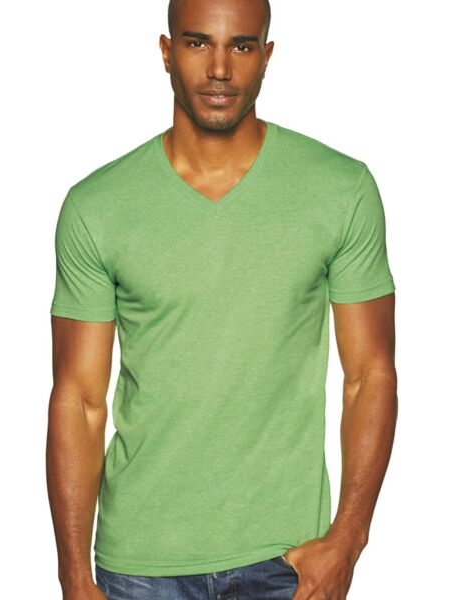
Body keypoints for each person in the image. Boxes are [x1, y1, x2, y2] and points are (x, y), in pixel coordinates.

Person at [46, 0, 398, 598]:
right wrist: (74, 575)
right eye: (196, 43)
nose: (219, 69)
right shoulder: (97, 206)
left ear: (266, 56)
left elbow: (370, 375)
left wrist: (348, 539)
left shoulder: (340, 189)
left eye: (240, 45)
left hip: (287, 559)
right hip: (140, 565)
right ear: (166, 52)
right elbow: (78, 400)